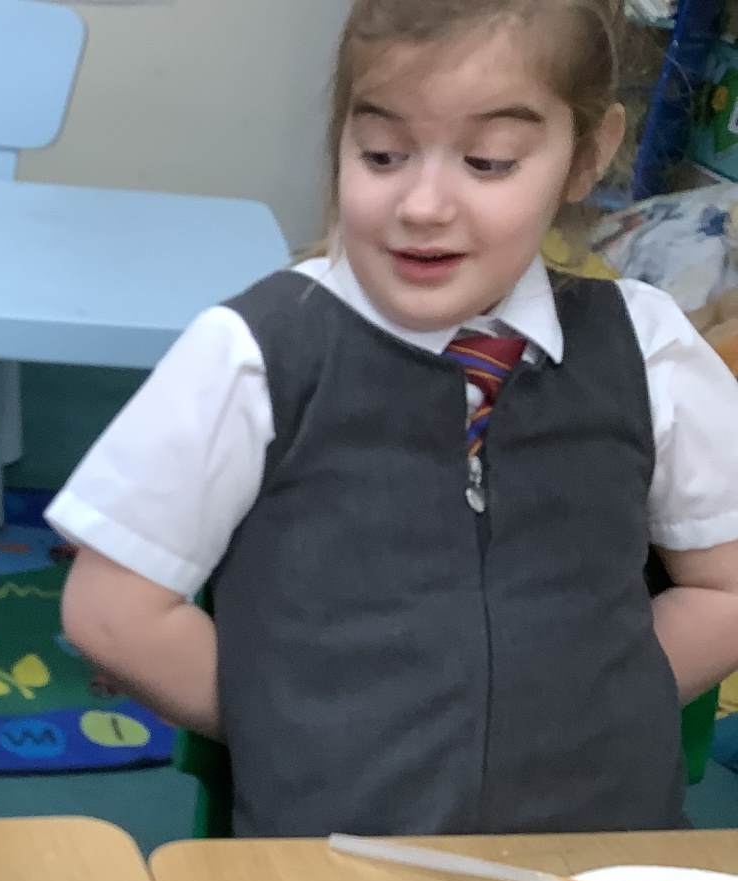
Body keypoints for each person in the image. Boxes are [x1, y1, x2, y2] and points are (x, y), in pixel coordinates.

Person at [51, 0, 738, 837]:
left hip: (592, 869)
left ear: (586, 155)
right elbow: (113, 610)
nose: (423, 204)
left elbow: (726, 584)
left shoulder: (646, 345)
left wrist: (588, 705)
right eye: (382, 154)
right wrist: (303, 726)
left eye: (488, 162)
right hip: (336, 869)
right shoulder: (256, 353)